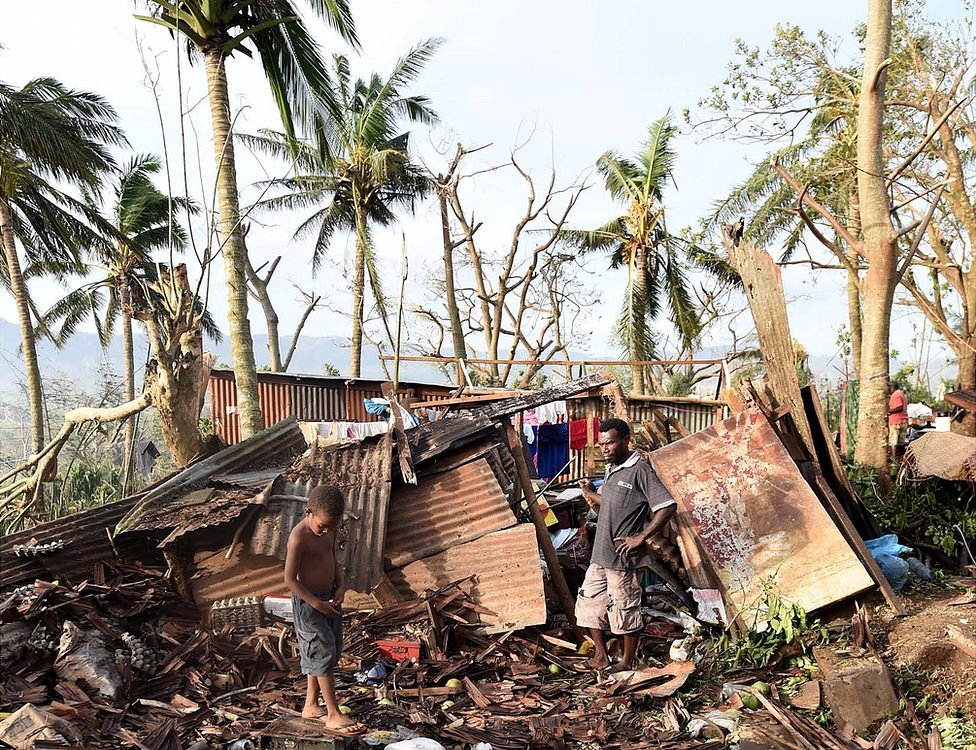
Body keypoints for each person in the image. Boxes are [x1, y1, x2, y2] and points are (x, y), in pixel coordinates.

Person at [575, 418, 677, 672]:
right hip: (601, 555)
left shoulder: (640, 470)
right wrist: (589, 493)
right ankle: (601, 655)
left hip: (624, 559)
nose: (604, 449)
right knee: (589, 605)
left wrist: (641, 537)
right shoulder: (612, 470)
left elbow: (667, 505)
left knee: (624, 610)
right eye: (601, 445)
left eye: (609, 443)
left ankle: (626, 661)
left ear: (626, 441)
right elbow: (610, 503)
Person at [284, 484, 363, 734]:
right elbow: (290, 579)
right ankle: (333, 713)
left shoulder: (328, 530)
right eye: (322, 526)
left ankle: (310, 705)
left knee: (329, 651)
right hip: (309, 604)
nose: (326, 531)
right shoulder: (299, 537)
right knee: (323, 653)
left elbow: (333, 560)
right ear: (309, 512)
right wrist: (316, 604)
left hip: (329, 600)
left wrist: (340, 587)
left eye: (332, 526)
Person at [888, 380, 908, 461]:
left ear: (892, 387)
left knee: (893, 442)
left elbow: (899, 407)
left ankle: (894, 460)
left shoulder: (896, 395)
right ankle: (902, 459)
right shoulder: (902, 394)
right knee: (901, 442)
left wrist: (888, 411)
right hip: (903, 420)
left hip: (896, 421)